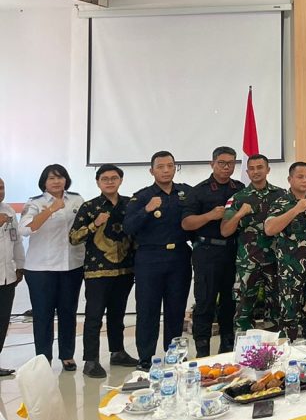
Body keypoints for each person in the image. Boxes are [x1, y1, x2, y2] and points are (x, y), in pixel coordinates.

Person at [124, 151, 193, 369]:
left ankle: (174, 355)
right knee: (147, 309)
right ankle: (145, 358)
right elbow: (128, 227)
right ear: (151, 170)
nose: (166, 170)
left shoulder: (186, 193)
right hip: (149, 258)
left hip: (179, 257)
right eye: (160, 167)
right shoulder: (142, 197)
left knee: (176, 309)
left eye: (170, 166)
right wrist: (146, 210)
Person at [68, 164, 137, 378]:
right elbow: (73, 238)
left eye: (114, 178)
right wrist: (94, 224)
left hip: (125, 269)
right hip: (97, 271)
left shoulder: (130, 204)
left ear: (120, 180)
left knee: (118, 314)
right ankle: (91, 360)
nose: (109, 182)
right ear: (98, 182)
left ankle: (118, 352)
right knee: (94, 316)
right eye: (104, 178)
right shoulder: (90, 207)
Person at [19, 164, 85, 370]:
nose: (56, 181)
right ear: (44, 182)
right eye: (51, 178)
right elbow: (25, 229)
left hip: (72, 265)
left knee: (68, 312)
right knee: (43, 315)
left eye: (60, 177)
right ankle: (43, 357)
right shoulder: (35, 203)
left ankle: (67, 355)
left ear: (66, 180)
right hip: (41, 269)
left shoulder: (76, 199)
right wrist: (50, 210)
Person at [181, 146, 244, 357]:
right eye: (222, 163)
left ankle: (227, 349)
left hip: (233, 251)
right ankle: (202, 351)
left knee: (230, 302)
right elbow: (186, 223)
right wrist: (209, 215)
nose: (226, 167)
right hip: (207, 252)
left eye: (231, 163)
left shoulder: (240, 189)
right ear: (212, 164)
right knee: (205, 302)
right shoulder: (199, 191)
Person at [222, 153, 286, 337]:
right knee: (244, 310)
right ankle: (245, 349)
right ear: (247, 172)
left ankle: (274, 349)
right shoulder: (238, 198)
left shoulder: (281, 195)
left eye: (260, 167)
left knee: (276, 309)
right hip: (248, 263)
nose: (256, 171)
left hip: (275, 261)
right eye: (251, 168)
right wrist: (239, 214)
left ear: (268, 169)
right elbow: (225, 231)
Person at [266, 162, 306, 341]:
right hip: (291, 270)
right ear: (290, 179)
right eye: (300, 177)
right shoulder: (281, 203)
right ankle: (288, 351)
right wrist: (295, 210)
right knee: (289, 314)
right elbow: (269, 229)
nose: (304, 180)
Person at [0, 178, 25, 376]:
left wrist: (20, 266)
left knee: (2, 322)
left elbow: (16, 241)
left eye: (2, 187)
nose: (0, 191)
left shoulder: (8, 211)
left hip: (7, 277)